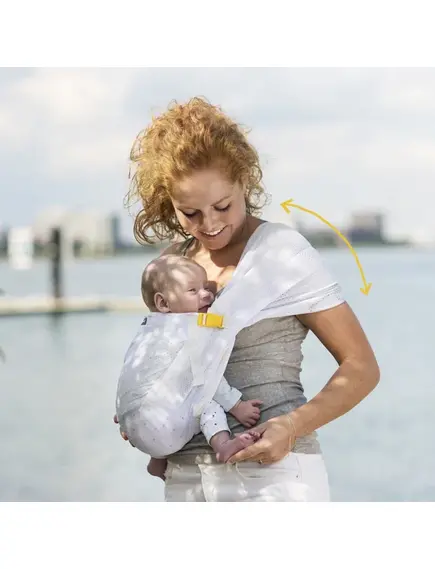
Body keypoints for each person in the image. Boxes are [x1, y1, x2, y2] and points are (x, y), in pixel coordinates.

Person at [114, 96, 380, 502]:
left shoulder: (281, 252)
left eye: (222, 206)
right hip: (185, 479)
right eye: (190, 213)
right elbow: (163, 355)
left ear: (245, 182)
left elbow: (361, 367)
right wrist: (140, 406)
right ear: (168, 202)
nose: (210, 224)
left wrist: (291, 426)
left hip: (274, 475)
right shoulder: (173, 266)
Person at [115, 254, 263, 481]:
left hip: (130, 423)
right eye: (193, 291)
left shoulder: (150, 330)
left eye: (205, 287)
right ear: (163, 303)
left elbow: (134, 373)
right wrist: (237, 406)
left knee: (169, 395)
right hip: (163, 431)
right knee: (206, 402)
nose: (207, 295)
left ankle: (157, 461)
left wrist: (127, 410)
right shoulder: (192, 333)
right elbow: (209, 377)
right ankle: (223, 445)